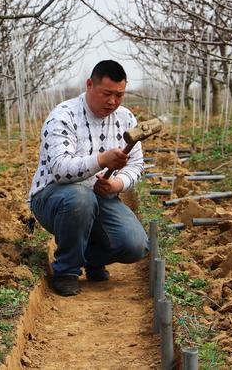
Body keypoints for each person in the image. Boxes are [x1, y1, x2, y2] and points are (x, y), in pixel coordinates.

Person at [29, 60, 149, 296]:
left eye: (119, 95)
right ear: (89, 85)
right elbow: (60, 170)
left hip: (100, 198)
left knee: (136, 245)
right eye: (106, 94)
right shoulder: (63, 116)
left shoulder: (125, 119)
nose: (112, 101)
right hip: (55, 197)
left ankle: (89, 256)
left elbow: (136, 165)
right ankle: (66, 270)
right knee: (80, 197)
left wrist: (117, 183)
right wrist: (101, 160)